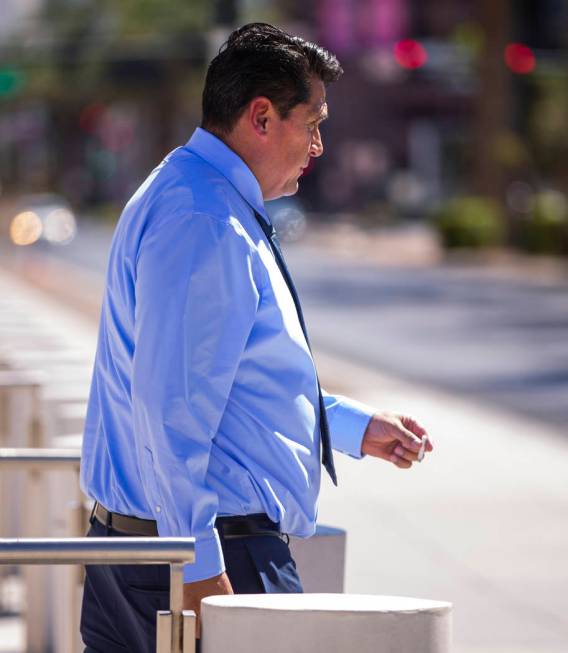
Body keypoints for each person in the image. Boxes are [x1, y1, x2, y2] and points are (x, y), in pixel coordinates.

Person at [79, 22, 432, 653]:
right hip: (214, 556)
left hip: (152, 550)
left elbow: (226, 388)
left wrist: (347, 428)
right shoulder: (204, 219)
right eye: (314, 123)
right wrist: (199, 569)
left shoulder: (192, 192)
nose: (320, 145)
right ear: (262, 117)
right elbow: (171, 411)